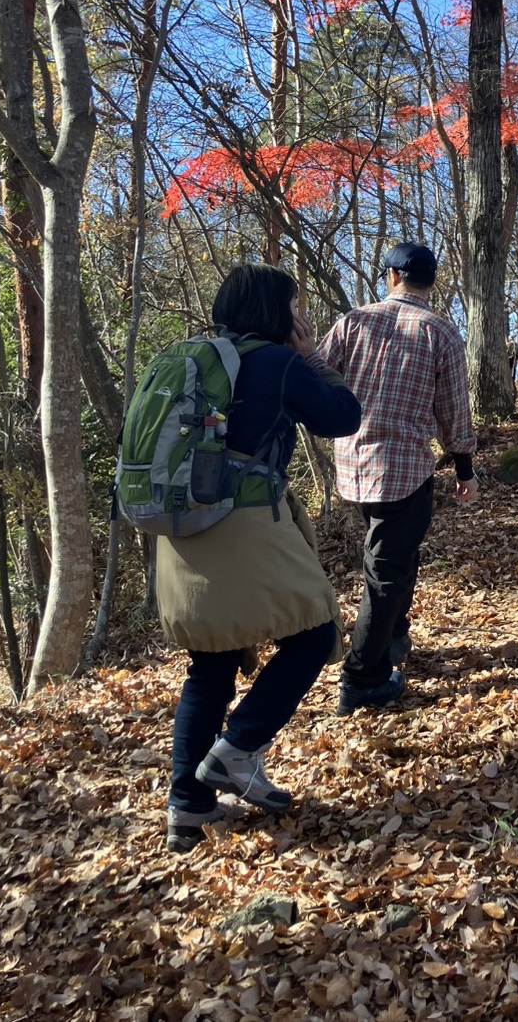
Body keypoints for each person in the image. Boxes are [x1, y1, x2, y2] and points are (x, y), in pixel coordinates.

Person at [158, 263, 362, 853]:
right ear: (278, 311)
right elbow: (342, 418)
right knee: (316, 632)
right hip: (243, 522)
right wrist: (312, 355)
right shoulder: (274, 362)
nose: (300, 315)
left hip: (182, 523)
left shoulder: (191, 357)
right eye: (294, 305)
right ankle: (239, 747)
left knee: (212, 662)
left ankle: (188, 808)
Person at [318, 241, 478, 715]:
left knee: (394, 560)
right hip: (404, 469)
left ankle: (393, 639)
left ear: (391, 277)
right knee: (387, 572)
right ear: (431, 281)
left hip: (353, 467)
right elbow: (453, 410)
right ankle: (362, 678)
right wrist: (464, 466)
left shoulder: (355, 321)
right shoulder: (441, 332)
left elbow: (318, 376)